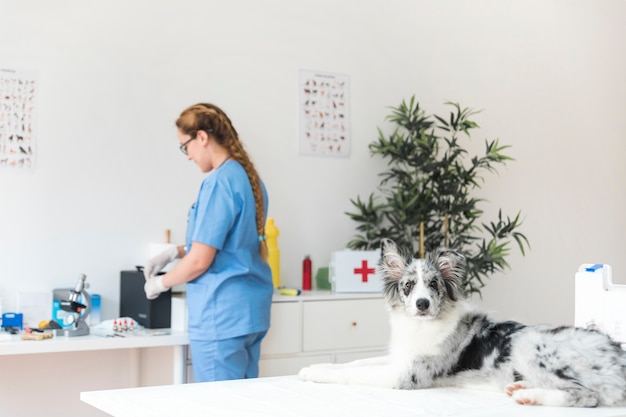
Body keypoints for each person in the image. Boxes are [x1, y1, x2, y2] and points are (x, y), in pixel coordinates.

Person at [143, 103, 273, 382]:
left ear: (202, 137)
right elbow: (230, 242)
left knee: (218, 406)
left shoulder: (219, 182)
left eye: (185, 146)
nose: (188, 156)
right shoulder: (250, 180)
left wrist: (160, 283)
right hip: (250, 313)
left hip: (221, 316)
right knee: (246, 405)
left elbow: (201, 260)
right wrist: (175, 252)